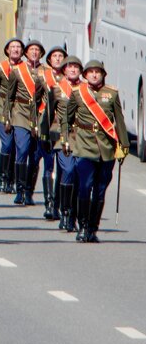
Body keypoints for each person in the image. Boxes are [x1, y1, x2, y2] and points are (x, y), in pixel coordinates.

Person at [63, 59, 130, 242]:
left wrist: (124, 145)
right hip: (84, 145)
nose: (94, 74)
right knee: (85, 187)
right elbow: (66, 119)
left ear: (103, 75)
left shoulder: (112, 94)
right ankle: (83, 226)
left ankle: (93, 228)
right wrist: (65, 139)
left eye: (97, 72)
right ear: (85, 75)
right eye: (91, 72)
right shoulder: (78, 93)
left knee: (100, 190)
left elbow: (120, 121)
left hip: (106, 148)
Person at [6, 39, 46, 206]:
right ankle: (20, 189)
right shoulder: (17, 71)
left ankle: (29, 191)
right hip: (20, 113)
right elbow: (9, 96)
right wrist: (7, 118)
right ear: (26, 53)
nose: (34, 52)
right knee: (22, 149)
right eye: (31, 49)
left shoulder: (46, 72)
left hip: (38, 114)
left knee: (35, 156)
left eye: (37, 50)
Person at [0, 38, 22, 194]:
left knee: (17, 147)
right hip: (3, 110)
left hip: (19, 111)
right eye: (12, 47)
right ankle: (2, 178)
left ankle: (13, 181)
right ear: (7, 50)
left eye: (18, 47)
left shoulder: (25, 69)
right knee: (7, 144)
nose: (15, 49)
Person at [53, 56, 82, 233]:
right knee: (68, 171)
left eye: (76, 68)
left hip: (82, 138)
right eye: (70, 67)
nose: (72, 70)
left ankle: (73, 216)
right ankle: (64, 213)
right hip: (62, 136)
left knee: (78, 177)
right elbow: (48, 113)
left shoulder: (85, 90)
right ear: (64, 70)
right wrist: (45, 137)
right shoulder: (56, 89)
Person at [38, 45, 67, 220]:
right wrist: (39, 128)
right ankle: (49, 204)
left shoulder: (70, 81)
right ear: (49, 59)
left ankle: (59, 205)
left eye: (60, 56)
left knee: (63, 169)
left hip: (64, 130)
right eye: (54, 56)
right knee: (49, 166)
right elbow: (35, 102)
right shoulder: (42, 77)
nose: (57, 58)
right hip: (47, 126)